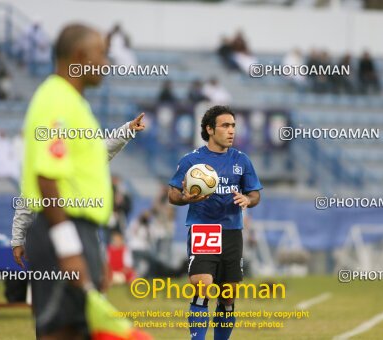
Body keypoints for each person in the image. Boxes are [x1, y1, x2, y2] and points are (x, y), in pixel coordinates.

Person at [20, 24, 145, 339]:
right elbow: (47, 177)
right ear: (79, 56)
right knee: (60, 332)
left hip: (81, 231)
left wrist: (93, 251)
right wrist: (69, 248)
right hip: (61, 230)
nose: (107, 62)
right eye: (101, 54)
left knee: (80, 329)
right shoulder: (55, 100)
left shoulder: (75, 102)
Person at [168, 105, 262, 340]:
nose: (231, 131)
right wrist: (184, 197)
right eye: (225, 126)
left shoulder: (241, 160)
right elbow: (172, 194)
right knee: (202, 287)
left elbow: (256, 195)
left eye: (233, 126)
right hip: (204, 229)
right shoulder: (192, 160)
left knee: (227, 296)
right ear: (209, 129)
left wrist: (247, 199)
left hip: (232, 231)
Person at [11, 114, 144, 267]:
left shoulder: (80, 159)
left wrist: (127, 129)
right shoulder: (38, 166)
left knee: (83, 281)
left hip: (82, 232)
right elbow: (25, 204)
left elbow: (106, 147)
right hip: (51, 234)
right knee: (51, 283)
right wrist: (17, 239)